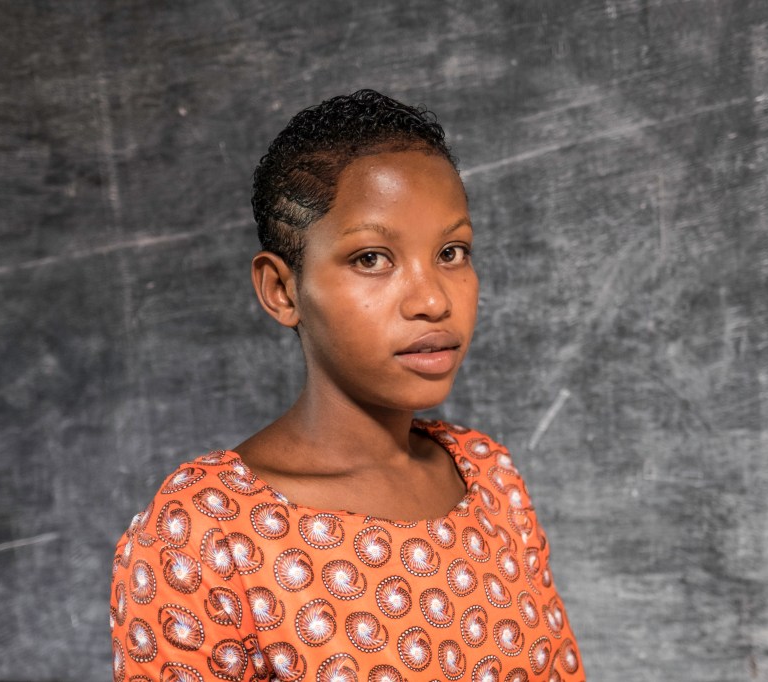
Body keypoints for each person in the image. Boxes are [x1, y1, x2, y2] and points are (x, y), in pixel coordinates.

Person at [110, 89, 584, 682]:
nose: (433, 300)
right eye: (371, 259)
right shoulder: (206, 531)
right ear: (282, 290)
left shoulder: (490, 477)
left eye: (451, 252)